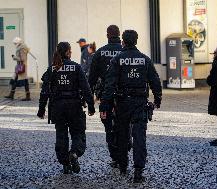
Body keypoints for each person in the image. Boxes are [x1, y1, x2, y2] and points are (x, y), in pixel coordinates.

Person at [100, 30, 162, 183]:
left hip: (122, 103)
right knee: (139, 136)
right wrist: (158, 98)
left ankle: (122, 165)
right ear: (136, 40)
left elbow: (109, 84)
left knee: (122, 135)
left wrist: (105, 104)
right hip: (140, 102)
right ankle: (138, 170)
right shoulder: (145, 59)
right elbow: (155, 81)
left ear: (123, 41)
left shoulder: (117, 59)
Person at [37, 42, 95, 174]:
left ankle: (65, 163)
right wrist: (91, 106)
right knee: (78, 133)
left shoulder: (52, 69)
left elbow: (44, 91)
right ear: (68, 52)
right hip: (74, 106)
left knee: (61, 135)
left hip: (57, 107)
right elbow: (86, 88)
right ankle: (74, 153)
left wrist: (41, 109)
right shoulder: (76, 67)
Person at [88, 25, 123, 168]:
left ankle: (114, 156)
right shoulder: (125, 51)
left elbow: (92, 77)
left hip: (106, 94)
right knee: (125, 121)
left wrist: (88, 95)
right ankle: (127, 142)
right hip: (123, 93)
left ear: (107, 35)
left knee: (108, 125)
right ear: (119, 35)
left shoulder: (100, 52)